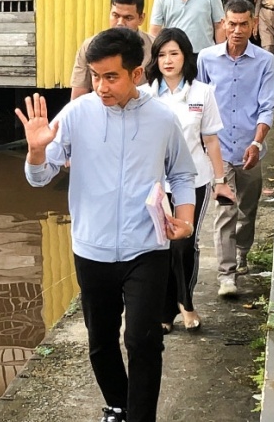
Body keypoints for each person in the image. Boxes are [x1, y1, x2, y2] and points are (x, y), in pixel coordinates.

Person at [17, 27, 197, 422]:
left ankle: (140, 417)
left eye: (111, 76)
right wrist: (36, 150)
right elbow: (40, 177)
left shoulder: (162, 119)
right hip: (92, 248)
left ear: (136, 74)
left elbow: (182, 175)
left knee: (142, 339)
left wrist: (185, 221)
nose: (100, 86)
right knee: (101, 341)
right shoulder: (77, 115)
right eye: (96, 76)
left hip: (147, 247)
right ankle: (118, 403)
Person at [142, 28, 236, 332]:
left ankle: (187, 304)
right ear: (155, 60)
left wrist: (220, 179)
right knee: (161, 246)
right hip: (156, 184)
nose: (168, 60)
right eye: (162, 55)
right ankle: (166, 311)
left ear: (185, 56)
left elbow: (212, 141)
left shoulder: (202, 93)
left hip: (194, 179)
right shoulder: (144, 95)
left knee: (184, 243)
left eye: (174, 53)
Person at [196, 0, 274, 297]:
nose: (238, 30)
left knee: (248, 208)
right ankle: (226, 275)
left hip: (250, 147)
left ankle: (243, 251)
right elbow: (199, 103)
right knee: (225, 211)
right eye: (232, 24)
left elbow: (268, 106)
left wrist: (257, 142)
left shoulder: (264, 61)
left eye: (244, 24)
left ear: (254, 24)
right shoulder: (206, 59)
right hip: (219, 149)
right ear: (224, 24)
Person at [71, 0, 153, 99]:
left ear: (141, 18)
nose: (120, 23)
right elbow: (78, 96)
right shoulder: (90, 46)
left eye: (128, 18)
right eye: (115, 16)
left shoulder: (155, 47)